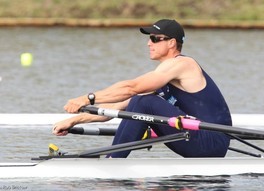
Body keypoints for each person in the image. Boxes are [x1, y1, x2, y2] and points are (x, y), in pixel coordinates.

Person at [53, 19, 232, 158]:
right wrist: (75, 120)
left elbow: (132, 88)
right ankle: (114, 158)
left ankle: (113, 161)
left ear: (171, 43)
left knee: (142, 100)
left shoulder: (183, 64)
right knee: (140, 102)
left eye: (155, 39)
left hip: (212, 141)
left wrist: (87, 98)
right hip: (195, 138)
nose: (149, 43)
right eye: (149, 38)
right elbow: (115, 109)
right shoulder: (164, 75)